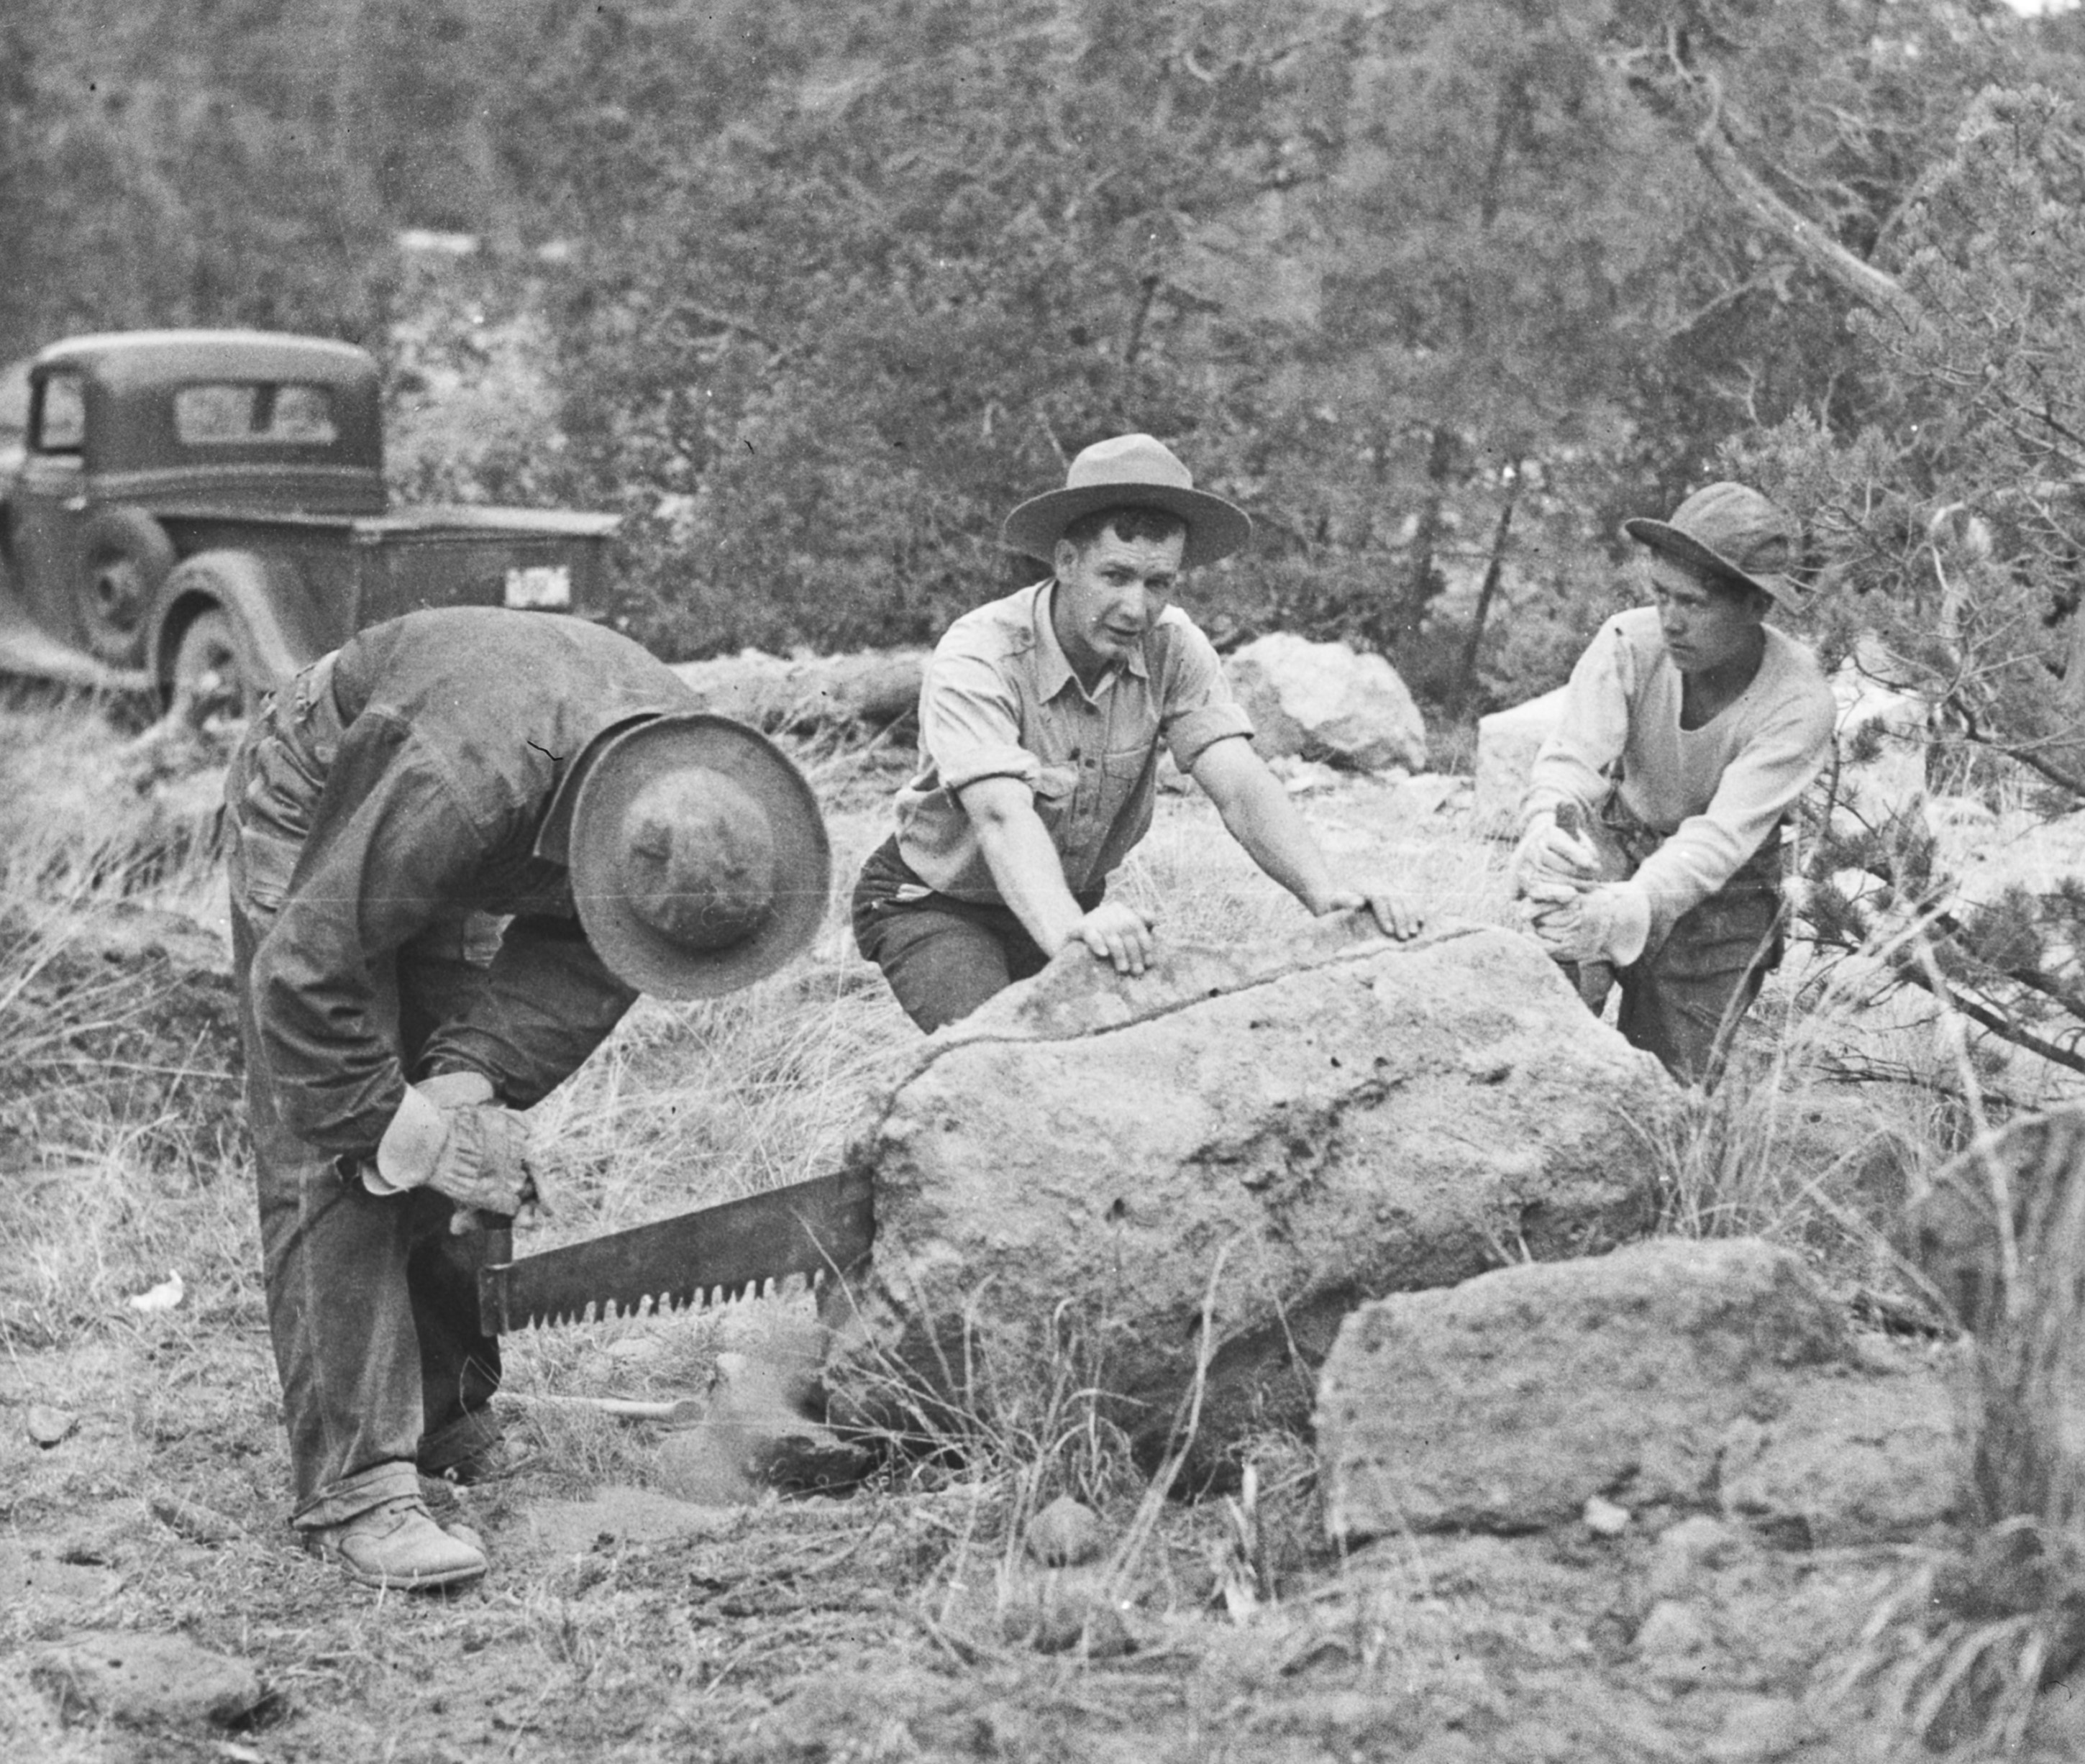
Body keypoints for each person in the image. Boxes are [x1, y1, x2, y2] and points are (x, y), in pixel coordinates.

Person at [224, 605, 829, 1591]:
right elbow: (305, 980)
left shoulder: (687, 803)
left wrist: (464, 1088)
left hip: (491, 823)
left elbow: (591, 958)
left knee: (468, 1129)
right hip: (331, 790)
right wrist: (395, 1128)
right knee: (335, 1137)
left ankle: (446, 1411)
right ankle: (357, 1488)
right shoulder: (459, 782)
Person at [852, 432, 1422, 1030]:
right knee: (1001, 1054)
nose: (1136, 608)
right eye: (1116, 576)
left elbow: (1238, 784)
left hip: (1074, 905)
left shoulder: (1174, 646)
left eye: (1158, 583)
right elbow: (999, 816)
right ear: (1066, 562)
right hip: (941, 904)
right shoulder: (980, 653)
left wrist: (1324, 894)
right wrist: (1070, 931)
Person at [1513, 482, 1835, 1086]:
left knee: (1669, 1095)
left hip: (1725, 894)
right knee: (1544, 1046)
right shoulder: (1626, 644)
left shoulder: (1799, 702)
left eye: (1694, 603)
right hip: (1614, 839)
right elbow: (1571, 761)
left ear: (1754, 607)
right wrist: (1541, 831)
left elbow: (1720, 838)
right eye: (1660, 595)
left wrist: (1632, 907)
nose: (1670, 621)